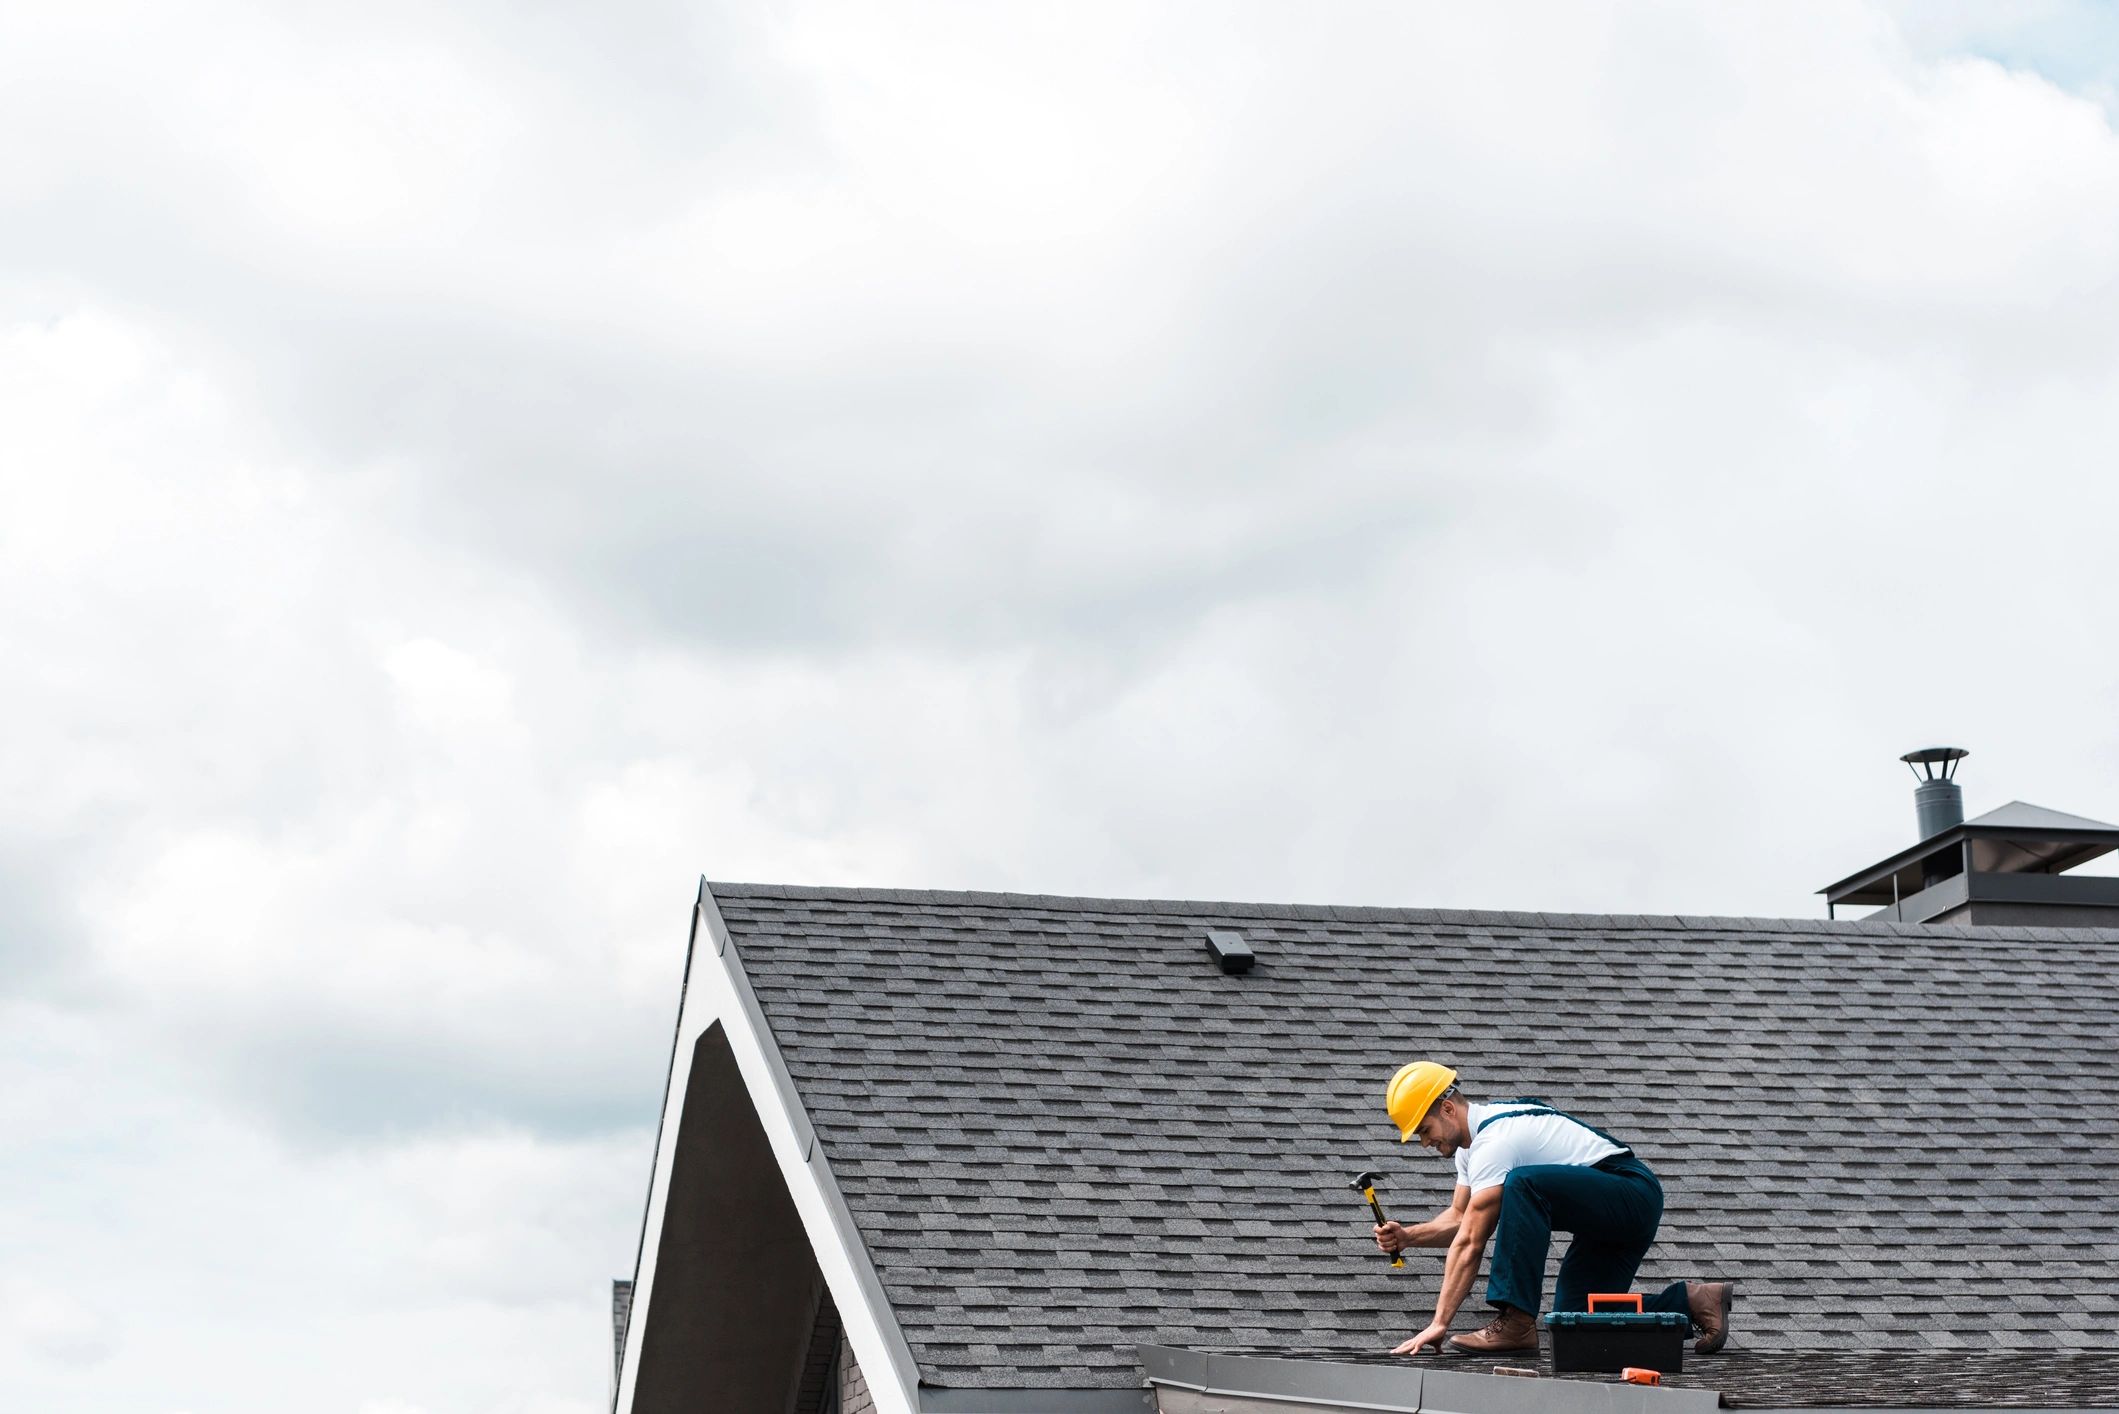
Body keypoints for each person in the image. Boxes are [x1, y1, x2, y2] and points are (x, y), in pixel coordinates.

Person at [1373, 1060, 1735, 1357]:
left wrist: (1440, 1322)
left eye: (1424, 1129)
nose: (1424, 1143)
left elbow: (1471, 1240)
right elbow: (1458, 1219)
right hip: (1607, 1211)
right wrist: (1408, 1237)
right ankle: (1693, 1301)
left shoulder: (1495, 1143)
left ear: (1448, 1108)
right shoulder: (1473, 1149)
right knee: (1574, 1322)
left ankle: (1515, 1321)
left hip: (1630, 1191)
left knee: (1522, 1183)